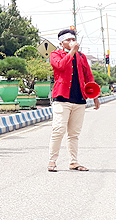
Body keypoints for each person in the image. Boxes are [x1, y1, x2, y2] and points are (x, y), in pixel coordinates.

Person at [47, 29, 99, 172]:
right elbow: (60, 66)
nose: (71, 42)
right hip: (62, 98)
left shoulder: (81, 57)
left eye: (73, 40)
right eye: (68, 40)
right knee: (58, 130)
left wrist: (95, 96)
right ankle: (52, 161)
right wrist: (71, 52)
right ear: (61, 43)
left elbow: (88, 75)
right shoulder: (55, 54)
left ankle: (73, 162)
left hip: (79, 99)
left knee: (74, 133)